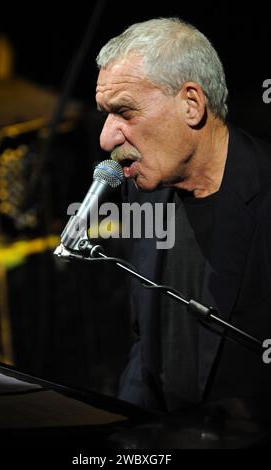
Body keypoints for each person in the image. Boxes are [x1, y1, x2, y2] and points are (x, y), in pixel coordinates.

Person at [95, 17, 271, 412]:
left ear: (191, 104)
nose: (107, 138)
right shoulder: (143, 193)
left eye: (125, 112)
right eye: (106, 114)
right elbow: (145, 347)